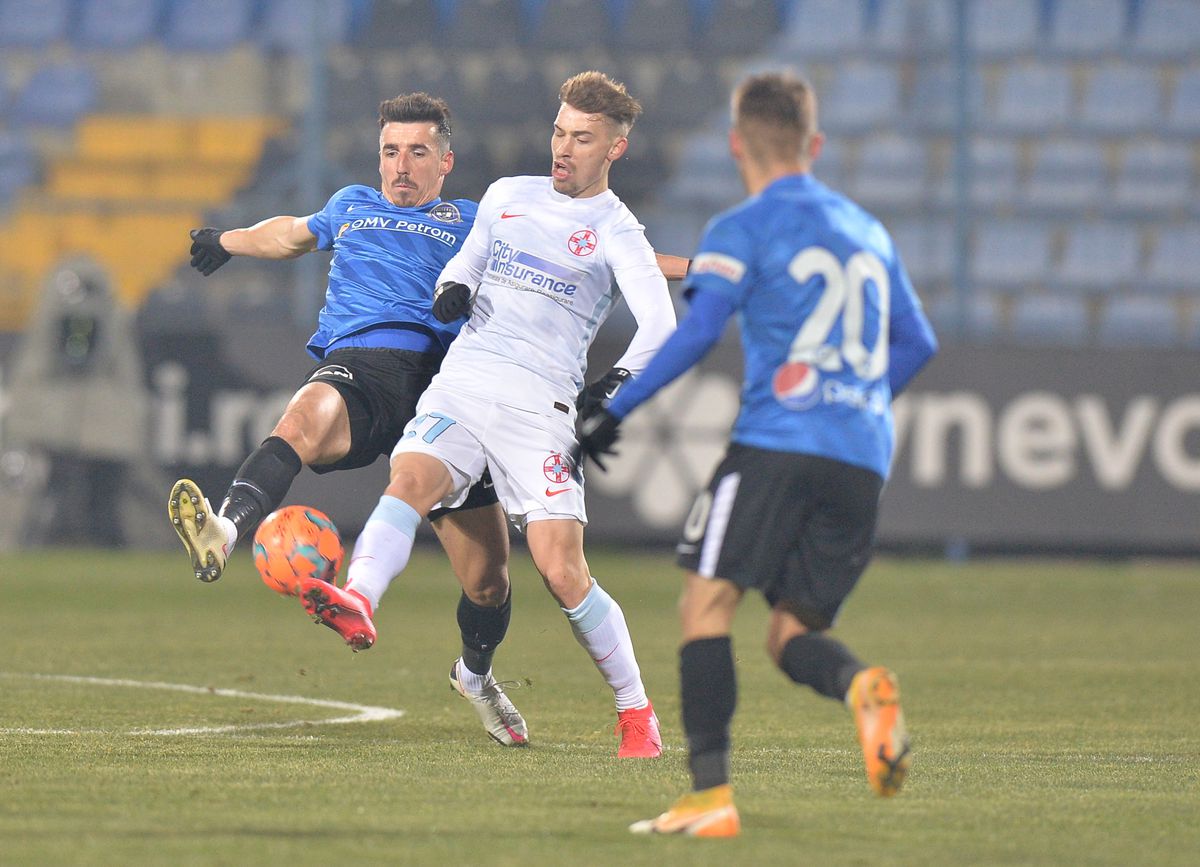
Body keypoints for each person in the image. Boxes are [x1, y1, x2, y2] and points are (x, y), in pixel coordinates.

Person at [577, 71, 938, 835]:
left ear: (738, 142)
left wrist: (617, 409)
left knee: (705, 605)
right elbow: (917, 341)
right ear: (816, 145)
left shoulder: (741, 226)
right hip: (862, 455)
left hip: (778, 440)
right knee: (789, 633)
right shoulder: (869, 230)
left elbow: (700, 332)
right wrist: (857, 401)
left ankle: (710, 798)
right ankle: (860, 684)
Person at [296, 71, 677, 758]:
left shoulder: (617, 230)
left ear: (613, 149)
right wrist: (452, 291)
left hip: (543, 405)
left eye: (582, 138)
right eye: (559, 132)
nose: (563, 148)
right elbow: (466, 266)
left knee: (561, 570)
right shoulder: (508, 196)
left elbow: (660, 324)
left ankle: (634, 710)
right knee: (409, 478)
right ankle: (357, 596)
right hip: (466, 381)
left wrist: (612, 385)